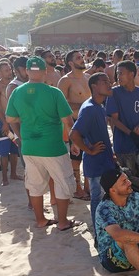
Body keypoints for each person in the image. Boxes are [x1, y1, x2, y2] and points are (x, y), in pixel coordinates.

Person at [6, 56, 79, 231]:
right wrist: (74, 142)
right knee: (62, 182)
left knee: (35, 185)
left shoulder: (17, 91)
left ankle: (40, 220)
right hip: (53, 146)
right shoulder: (54, 93)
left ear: (28, 71)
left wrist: (23, 130)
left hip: (30, 146)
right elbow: (68, 121)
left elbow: (10, 118)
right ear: (45, 71)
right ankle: (62, 221)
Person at [70, 73, 117, 227]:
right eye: (104, 82)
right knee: (97, 198)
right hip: (96, 164)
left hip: (104, 160)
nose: (109, 84)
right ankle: (98, 228)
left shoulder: (99, 106)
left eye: (109, 81)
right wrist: (89, 150)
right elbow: (74, 134)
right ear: (94, 86)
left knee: (104, 198)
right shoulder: (90, 108)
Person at [57, 50, 92, 198]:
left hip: (90, 122)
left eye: (82, 57)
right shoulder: (65, 81)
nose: (82, 60)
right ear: (71, 63)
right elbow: (60, 105)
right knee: (76, 158)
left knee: (91, 154)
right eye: (78, 58)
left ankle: (88, 187)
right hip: (74, 123)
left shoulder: (89, 78)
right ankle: (78, 188)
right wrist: (81, 106)